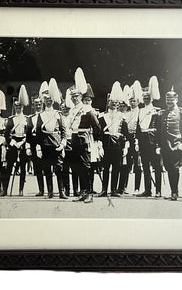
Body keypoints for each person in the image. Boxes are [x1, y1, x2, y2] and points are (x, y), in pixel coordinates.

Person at [69, 68, 102, 203]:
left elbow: (97, 127)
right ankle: (83, 192)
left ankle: (89, 193)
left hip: (85, 140)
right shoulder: (72, 110)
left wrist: (96, 141)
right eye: (72, 97)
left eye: (76, 97)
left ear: (81, 97)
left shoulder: (87, 109)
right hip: (75, 139)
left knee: (86, 167)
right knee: (78, 167)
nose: (74, 99)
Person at [156, 87, 182, 201]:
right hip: (165, 146)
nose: (169, 102)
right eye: (167, 100)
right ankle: (173, 191)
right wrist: (158, 146)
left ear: (176, 99)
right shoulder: (162, 113)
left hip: (177, 145)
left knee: (174, 168)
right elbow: (159, 131)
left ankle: (174, 193)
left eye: (171, 99)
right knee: (168, 168)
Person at [35, 79, 67, 199]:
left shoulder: (58, 114)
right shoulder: (41, 115)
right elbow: (38, 132)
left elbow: (63, 130)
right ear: (44, 100)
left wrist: (63, 143)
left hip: (57, 144)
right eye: (46, 99)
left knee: (59, 168)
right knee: (47, 169)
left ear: (53, 100)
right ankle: (49, 191)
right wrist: (38, 147)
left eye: (50, 99)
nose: (48, 101)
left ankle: (61, 191)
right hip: (45, 144)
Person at [98, 82, 128, 197]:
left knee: (116, 168)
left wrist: (125, 146)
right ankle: (104, 189)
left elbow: (125, 133)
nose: (114, 104)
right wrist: (99, 146)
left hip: (118, 145)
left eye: (116, 103)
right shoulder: (102, 116)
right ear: (108, 103)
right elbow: (99, 132)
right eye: (112, 102)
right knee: (105, 168)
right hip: (106, 144)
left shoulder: (122, 117)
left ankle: (114, 190)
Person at [136, 76, 163, 198]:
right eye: (144, 97)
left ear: (151, 98)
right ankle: (148, 190)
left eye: (147, 97)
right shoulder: (140, 110)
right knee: (145, 166)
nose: (145, 99)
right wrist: (136, 141)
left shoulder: (156, 110)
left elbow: (159, 129)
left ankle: (158, 190)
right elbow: (138, 127)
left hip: (153, 141)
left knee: (156, 166)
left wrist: (158, 144)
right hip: (142, 140)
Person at [4, 85, 29, 196]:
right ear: (14, 108)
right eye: (16, 107)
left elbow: (28, 134)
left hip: (22, 144)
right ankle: (5, 189)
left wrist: (22, 142)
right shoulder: (11, 119)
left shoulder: (27, 119)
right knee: (9, 168)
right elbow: (6, 134)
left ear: (23, 107)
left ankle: (21, 190)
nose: (18, 109)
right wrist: (12, 142)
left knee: (23, 169)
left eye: (20, 107)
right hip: (13, 144)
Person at [25, 95, 45, 196]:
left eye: (40, 104)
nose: (38, 106)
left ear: (43, 104)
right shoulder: (30, 118)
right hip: (34, 145)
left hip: (45, 144)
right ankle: (41, 189)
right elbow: (28, 133)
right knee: (38, 168)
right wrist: (28, 146)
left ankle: (51, 190)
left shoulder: (47, 116)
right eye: (36, 104)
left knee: (48, 167)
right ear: (33, 106)